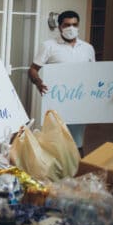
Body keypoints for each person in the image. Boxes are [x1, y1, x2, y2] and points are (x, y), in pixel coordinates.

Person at [28, 10, 94, 156]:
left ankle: (78, 175)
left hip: (79, 101)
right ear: (60, 27)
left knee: (77, 143)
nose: (71, 28)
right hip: (57, 102)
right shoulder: (49, 46)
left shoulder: (88, 48)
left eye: (75, 25)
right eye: (67, 25)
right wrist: (38, 82)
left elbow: (94, 75)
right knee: (55, 143)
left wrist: (108, 91)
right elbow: (32, 69)